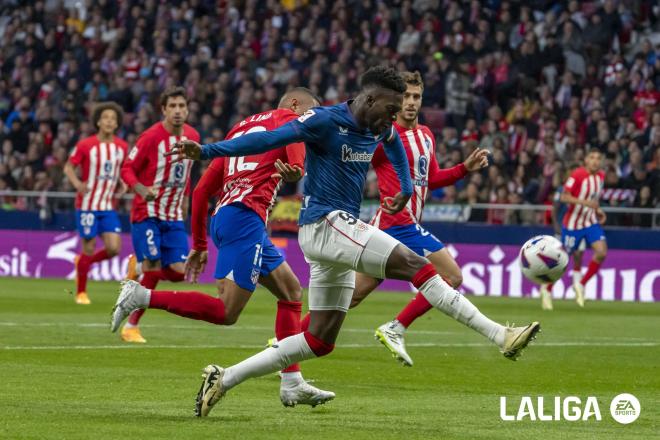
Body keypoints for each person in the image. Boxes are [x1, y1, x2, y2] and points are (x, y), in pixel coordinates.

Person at [169, 66, 539, 417]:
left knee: (319, 341)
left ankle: (224, 377)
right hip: (324, 223)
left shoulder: (381, 126)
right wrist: (206, 151)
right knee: (416, 266)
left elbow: (394, 146)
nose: (393, 118)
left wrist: (406, 189)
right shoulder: (325, 121)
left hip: (337, 234)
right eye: (390, 109)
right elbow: (267, 138)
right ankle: (499, 334)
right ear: (369, 99)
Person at [111, 88, 335, 406]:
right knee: (227, 311)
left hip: (229, 218)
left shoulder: (240, 128)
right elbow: (298, 166)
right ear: (296, 106)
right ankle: (141, 296)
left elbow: (202, 190)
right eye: (309, 115)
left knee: (291, 292)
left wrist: (201, 244)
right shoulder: (290, 121)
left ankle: (291, 381)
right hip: (245, 218)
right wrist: (298, 170)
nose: (310, 123)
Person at [296, 71, 490, 366]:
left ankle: (289, 341)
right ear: (396, 100)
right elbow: (350, 160)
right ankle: (395, 327)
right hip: (394, 223)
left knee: (352, 296)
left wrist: (464, 168)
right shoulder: (383, 135)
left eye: (416, 97)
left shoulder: (426, 135)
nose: (411, 103)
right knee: (452, 276)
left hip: (407, 225)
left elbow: (431, 179)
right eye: (407, 97)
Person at [118, 86, 199, 343]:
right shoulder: (150, 137)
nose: (177, 111)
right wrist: (142, 189)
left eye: (181, 106)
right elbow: (127, 169)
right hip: (147, 212)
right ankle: (131, 326)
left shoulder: (194, 136)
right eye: (172, 106)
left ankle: (137, 267)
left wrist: (186, 199)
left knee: (177, 272)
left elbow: (186, 173)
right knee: (153, 267)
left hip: (174, 214)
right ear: (163, 110)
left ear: (187, 109)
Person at [63, 102, 128, 305]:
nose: (109, 121)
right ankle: (81, 292)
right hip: (87, 204)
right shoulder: (85, 145)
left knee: (114, 248)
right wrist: (77, 184)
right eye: (106, 117)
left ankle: (83, 263)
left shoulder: (122, 147)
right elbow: (68, 167)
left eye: (113, 119)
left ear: (117, 124)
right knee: (89, 247)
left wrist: (123, 183)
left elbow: (123, 171)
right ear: (98, 121)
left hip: (108, 206)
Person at [555, 149, 607, 307]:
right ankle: (547, 288)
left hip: (590, 222)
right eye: (592, 157)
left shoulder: (601, 176)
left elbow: (593, 198)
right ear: (586, 160)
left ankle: (580, 284)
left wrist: (598, 211)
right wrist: (587, 204)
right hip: (573, 224)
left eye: (598, 158)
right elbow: (564, 197)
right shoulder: (577, 174)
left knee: (601, 252)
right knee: (565, 260)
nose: (595, 161)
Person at [540, 165, 585, 311]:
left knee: (578, 256)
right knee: (561, 261)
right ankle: (547, 288)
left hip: (578, 228)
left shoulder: (581, 192)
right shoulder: (561, 191)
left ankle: (578, 291)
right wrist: (557, 227)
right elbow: (555, 210)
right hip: (563, 230)